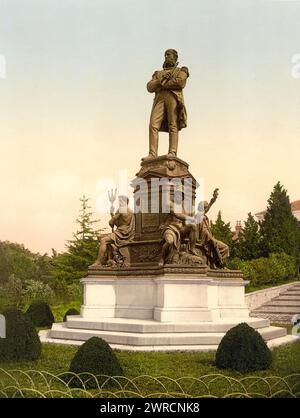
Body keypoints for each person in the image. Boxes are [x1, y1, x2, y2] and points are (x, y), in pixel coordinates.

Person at [145, 49, 189, 159]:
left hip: (173, 97)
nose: (166, 57)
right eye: (165, 55)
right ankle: (152, 154)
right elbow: (150, 87)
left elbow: (180, 82)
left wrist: (163, 84)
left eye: (169, 55)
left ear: (175, 57)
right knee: (153, 125)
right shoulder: (158, 73)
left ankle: (172, 152)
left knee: (173, 124)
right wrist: (160, 81)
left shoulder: (181, 70)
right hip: (159, 98)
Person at [92, 196, 135, 267]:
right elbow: (119, 223)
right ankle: (108, 258)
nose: (119, 203)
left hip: (121, 233)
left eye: (120, 201)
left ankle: (99, 261)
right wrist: (112, 214)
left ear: (125, 201)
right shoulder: (131, 211)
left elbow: (111, 223)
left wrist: (112, 218)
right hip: (126, 232)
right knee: (101, 237)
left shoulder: (121, 209)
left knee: (103, 240)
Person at [196, 189, 230, 269]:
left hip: (210, 238)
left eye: (206, 207)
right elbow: (202, 231)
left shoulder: (203, 215)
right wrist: (210, 238)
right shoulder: (198, 216)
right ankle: (219, 264)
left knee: (225, 247)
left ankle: (217, 263)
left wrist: (213, 199)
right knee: (213, 243)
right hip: (204, 239)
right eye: (205, 207)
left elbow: (208, 208)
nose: (206, 209)